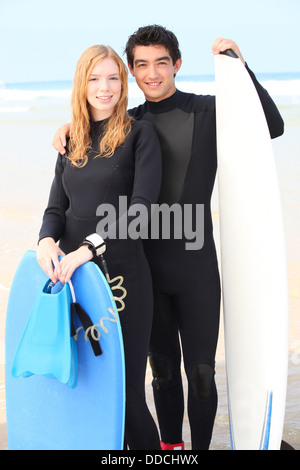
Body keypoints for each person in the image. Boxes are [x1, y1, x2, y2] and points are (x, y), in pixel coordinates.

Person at [52, 27, 284, 450]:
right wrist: (72, 125)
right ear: (132, 73)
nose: (152, 73)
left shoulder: (207, 111)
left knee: (200, 372)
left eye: (161, 62)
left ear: (177, 64)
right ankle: (169, 451)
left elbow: (272, 125)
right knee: (160, 370)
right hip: (143, 267)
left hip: (195, 263)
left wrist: (240, 65)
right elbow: (95, 141)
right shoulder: (130, 124)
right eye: (141, 65)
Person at [37, 44, 162, 450]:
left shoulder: (140, 134)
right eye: (94, 78)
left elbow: (142, 209)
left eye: (112, 78)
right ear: (82, 83)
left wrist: (88, 248)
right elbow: (57, 207)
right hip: (77, 283)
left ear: (122, 83)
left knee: (124, 396)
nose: (104, 88)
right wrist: (45, 241)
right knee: (85, 392)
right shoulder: (70, 139)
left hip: (122, 281)